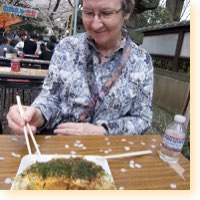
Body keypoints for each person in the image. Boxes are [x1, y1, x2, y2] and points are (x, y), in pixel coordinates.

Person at [7, 0, 153, 136]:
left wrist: (103, 131)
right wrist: (38, 114)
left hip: (110, 152)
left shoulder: (141, 60)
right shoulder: (67, 48)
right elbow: (50, 96)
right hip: (59, 145)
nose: (95, 24)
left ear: (126, 12)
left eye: (107, 13)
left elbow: (142, 118)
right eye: (88, 13)